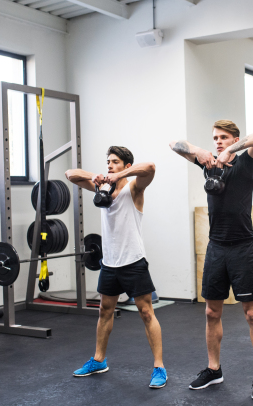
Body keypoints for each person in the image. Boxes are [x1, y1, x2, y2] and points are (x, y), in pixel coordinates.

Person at [169, 120, 253, 401]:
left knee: (252, 314)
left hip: (242, 247)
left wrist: (231, 151)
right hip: (216, 247)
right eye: (215, 138)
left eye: (223, 137)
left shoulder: (245, 163)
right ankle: (213, 369)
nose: (218, 141)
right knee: (211, 313)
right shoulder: (208, 165)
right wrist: (200, 150)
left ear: (236, 139)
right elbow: (174, 145)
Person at [65, 146, 167, 389]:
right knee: (104, 311)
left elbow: (150, 167)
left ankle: (159, 367)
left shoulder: (134, 188)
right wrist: (98, 177)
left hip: (133, 262)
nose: (110, 165)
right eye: (108, 162)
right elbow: (70, 174)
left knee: (146, 312)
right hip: (109, 264)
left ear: (126, 166)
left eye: (115, 162)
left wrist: (120, 176)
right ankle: (99, 360)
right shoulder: (103, 189)